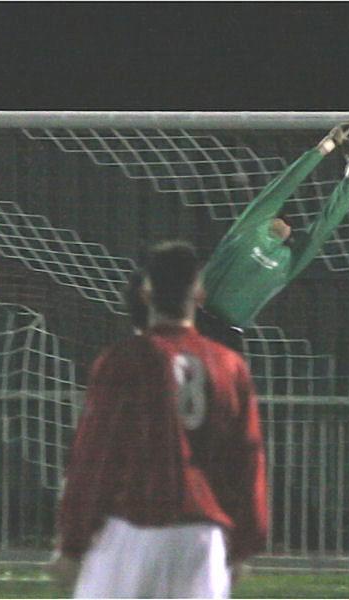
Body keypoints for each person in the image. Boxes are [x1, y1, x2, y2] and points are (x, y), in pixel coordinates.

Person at [51, 240, 268, 598]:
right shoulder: (229, 366)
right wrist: (246, 541)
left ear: (147, 292)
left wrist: (73, 539)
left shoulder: (125, 359)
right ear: (199, 294)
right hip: (202, 538)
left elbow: (93, 454)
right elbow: (248, 458)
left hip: (132, 528)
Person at [196, 120, 349, 351]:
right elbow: (285, 184)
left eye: (291, 225)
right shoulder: (250, 227)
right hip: (194, 322)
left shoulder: (289, 261)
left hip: (228, 340)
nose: (287, 223)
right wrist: (326, 146)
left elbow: (326, 224)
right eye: (283, 216)